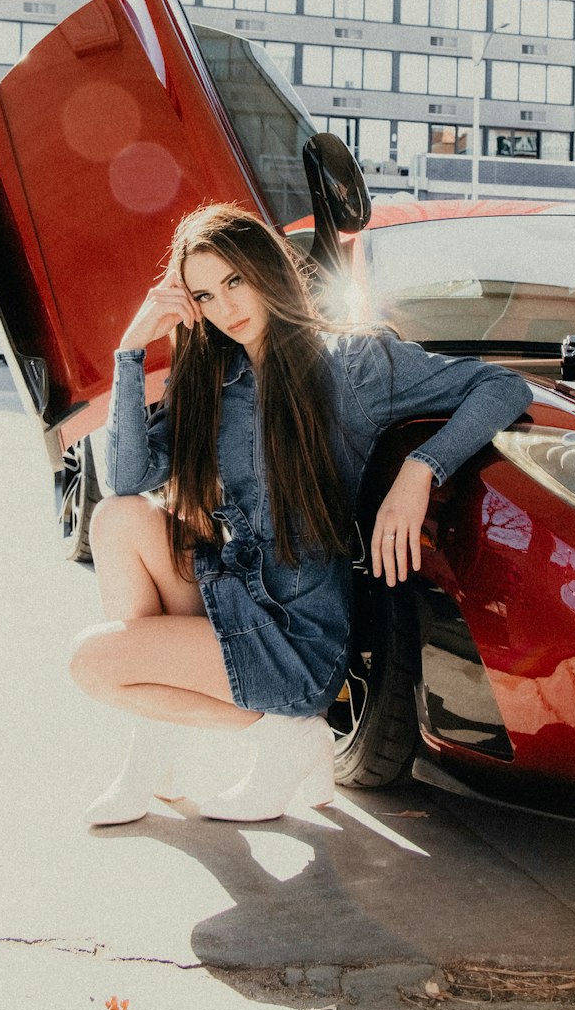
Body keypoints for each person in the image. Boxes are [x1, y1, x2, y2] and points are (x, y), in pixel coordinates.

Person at [69, 203, 532, 826]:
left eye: (236, 280)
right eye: (205, 294)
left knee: (92, 664)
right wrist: (131, 346)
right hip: (234, 592)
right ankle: (155, 753)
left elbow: (502, 387)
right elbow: (127, 480)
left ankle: (287, 733)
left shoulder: (353, 365)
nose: (227, 306)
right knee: (118, 518)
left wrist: (421, 470)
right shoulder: (212, 380)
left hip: (297, 628)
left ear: (268, 270)